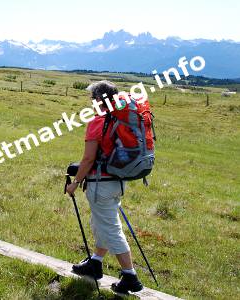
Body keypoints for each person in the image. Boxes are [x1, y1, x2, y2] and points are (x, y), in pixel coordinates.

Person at [66, 80, 144, 293]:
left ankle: (130, 276)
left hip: (101, 184)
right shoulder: (118, 121)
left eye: (93, 98)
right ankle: (96, 262)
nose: (91, 103)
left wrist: (74, 183)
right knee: (101, 222)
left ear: (100, 100)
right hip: (117, 181)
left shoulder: (98, 122)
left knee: (110, 228)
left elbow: (89, 158)